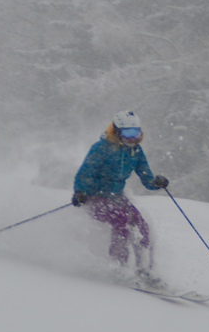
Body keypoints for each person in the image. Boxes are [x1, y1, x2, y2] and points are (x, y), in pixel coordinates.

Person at [72, 111, 169, 280]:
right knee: (121, 221)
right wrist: (80, 192)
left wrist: (156, 182)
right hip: (95, 198)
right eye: (127, 133)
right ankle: (119, 267)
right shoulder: (101, 148)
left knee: (142, 226)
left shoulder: (136, 151)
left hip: (116, 197)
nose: (132, 138)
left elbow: (146, 177)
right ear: (116, 131)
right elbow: (85, 173)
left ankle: (145, 270)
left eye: (135, 132)